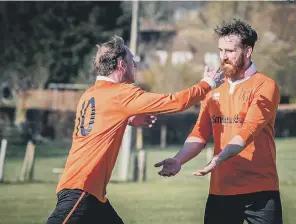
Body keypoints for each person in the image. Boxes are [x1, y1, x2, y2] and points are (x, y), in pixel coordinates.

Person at [45, 35, 224, 224]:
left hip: (89, 192)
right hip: (81, 190)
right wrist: (208, 83)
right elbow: (176, 102)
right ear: (122, 65)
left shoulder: (90, 94)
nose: (135, 66)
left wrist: (129, 119)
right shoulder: (122, 93)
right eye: (133, 62)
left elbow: (100, 124)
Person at [155, 19, 283, 224]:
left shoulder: (265, 86)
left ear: (248, 51)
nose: (223, 57)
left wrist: (218, 158)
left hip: (260, 190)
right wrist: (179, 160)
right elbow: (199, 133)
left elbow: (248, 131)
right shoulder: (213, 87)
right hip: (221, 190)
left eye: (230, 51)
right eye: (220, 50)